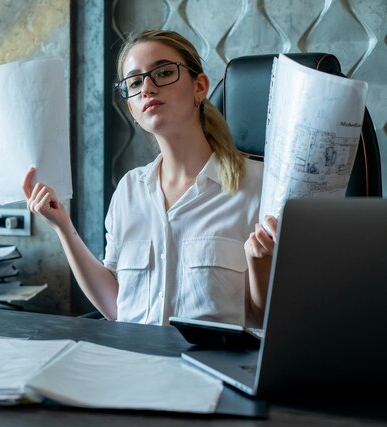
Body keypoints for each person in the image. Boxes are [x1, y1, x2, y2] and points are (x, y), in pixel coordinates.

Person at [23, 30, 277, 327]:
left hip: (208, 369)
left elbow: (263, 323)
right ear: (132, 107)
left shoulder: (260, 187)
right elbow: (116, 307)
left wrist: (263, 266)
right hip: (133, 366)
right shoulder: (129, 190)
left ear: (200, 87)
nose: (147, 88)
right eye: (134, 82)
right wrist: (63, 227)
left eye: (164, 72)